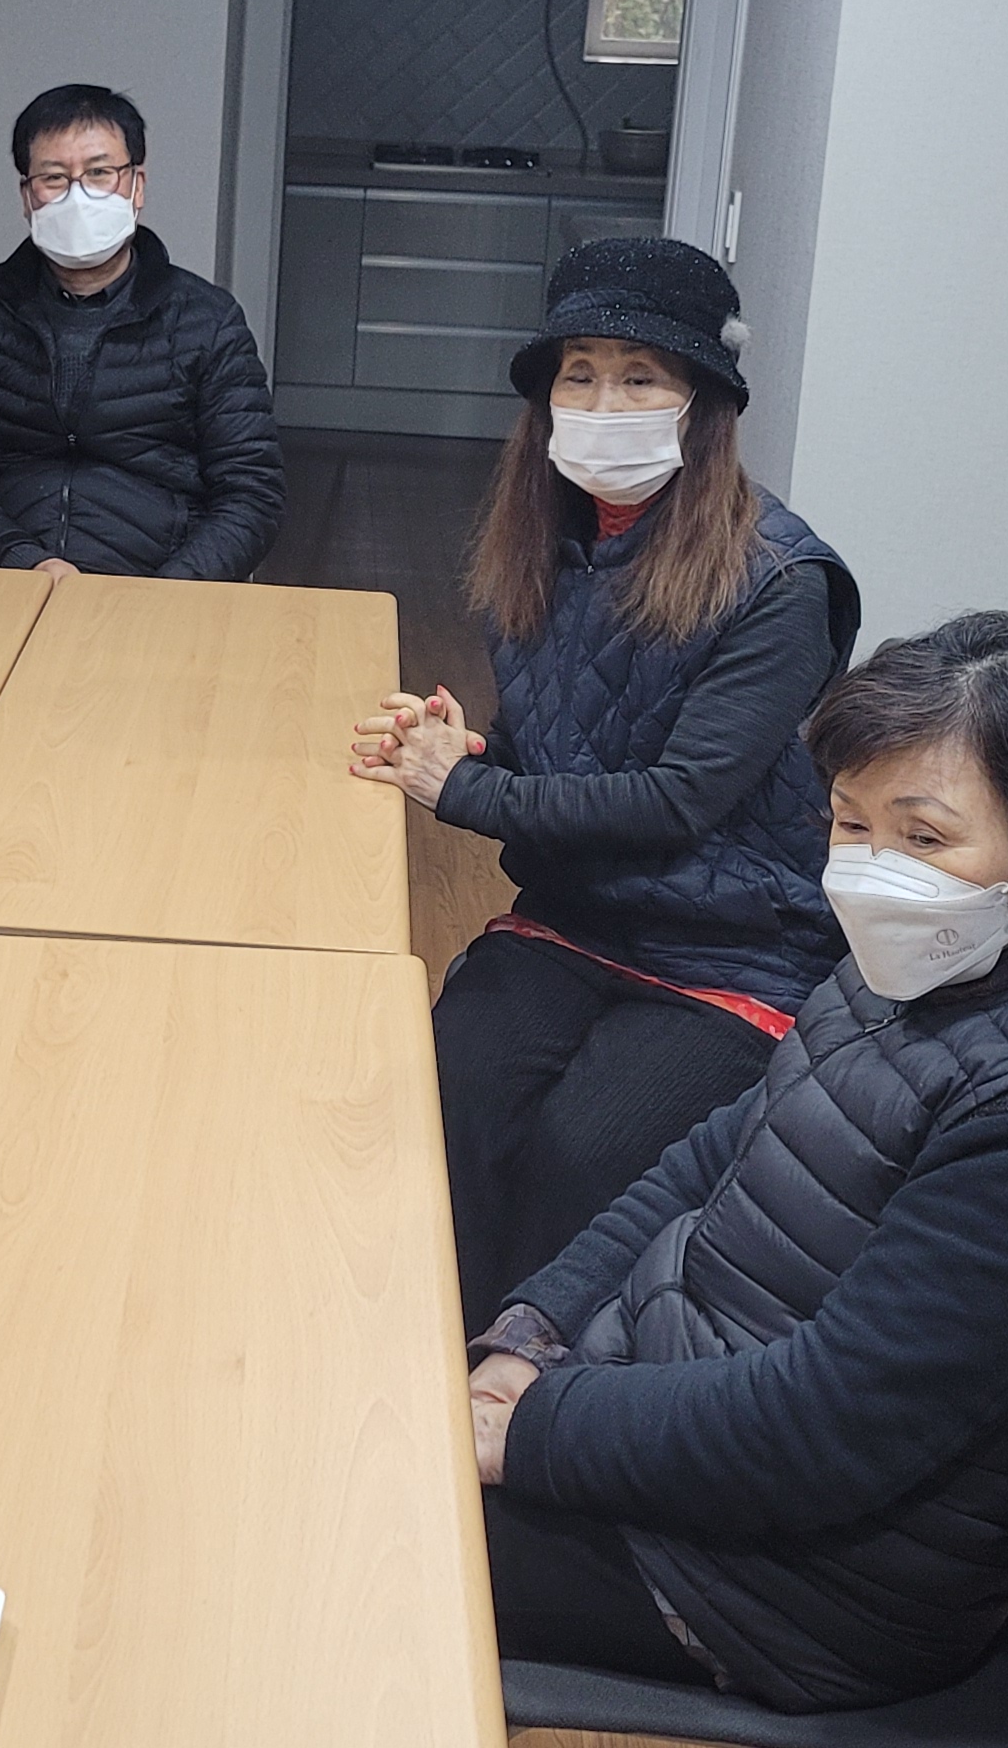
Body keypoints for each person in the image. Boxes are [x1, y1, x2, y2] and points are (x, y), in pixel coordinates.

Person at [462, 611, 1008, 1714]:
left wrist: (534, 1431)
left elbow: (822, 1433)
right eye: (850, 823)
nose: (872, 874)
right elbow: (710, 1160)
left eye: (925, 839)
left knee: (324, 1520)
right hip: (673, 1426)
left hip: (773, 1585)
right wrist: (533, 1335)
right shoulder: (924, 964)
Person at [350, 236, 860, 1320]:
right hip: (576, 916)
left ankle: (529, 1371)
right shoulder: (537, 545)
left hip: (736, 946)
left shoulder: (783, 580)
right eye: (577, 374)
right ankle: (428, 1343)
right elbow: (561, 751)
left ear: (703, 404)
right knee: (442, 1094)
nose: (600, 402)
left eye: (639, 377)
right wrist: (475, 754)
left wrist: (464, 792)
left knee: (582, 1151)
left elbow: (680, 800)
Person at [0, 83, 284, 580]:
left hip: (159, 587)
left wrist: (172, 589)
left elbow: (252, 492)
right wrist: (22, 560)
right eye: (54, 178)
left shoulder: (207, 320)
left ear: (137, 186)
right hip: (5, 579)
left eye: (99, 173)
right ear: (27, 196)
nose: (78, 196)